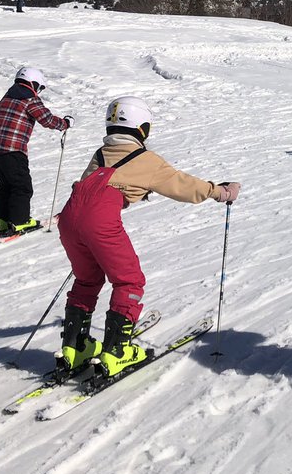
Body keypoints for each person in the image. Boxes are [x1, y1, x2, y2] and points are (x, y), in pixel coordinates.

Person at [54, 96, 241, 380]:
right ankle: (116, 352)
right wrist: (219, 191)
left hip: (69, 219)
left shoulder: (101, 154)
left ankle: (74, 348)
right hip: (100, 221)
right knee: (129, 280)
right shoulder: (146, 159)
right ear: (142, 128)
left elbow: (89, 188)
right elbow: (183, 186)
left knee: (87, 279)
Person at [0, 66, 71, 235]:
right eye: (40, 87)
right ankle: (20, 221)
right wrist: (65, 124)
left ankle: (2, 221)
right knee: (22, 186)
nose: (39, 91)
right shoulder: (30, 99)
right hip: (13, 149)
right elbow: (47, 120)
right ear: (33, 83)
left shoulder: (7, 97)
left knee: (5, 184)